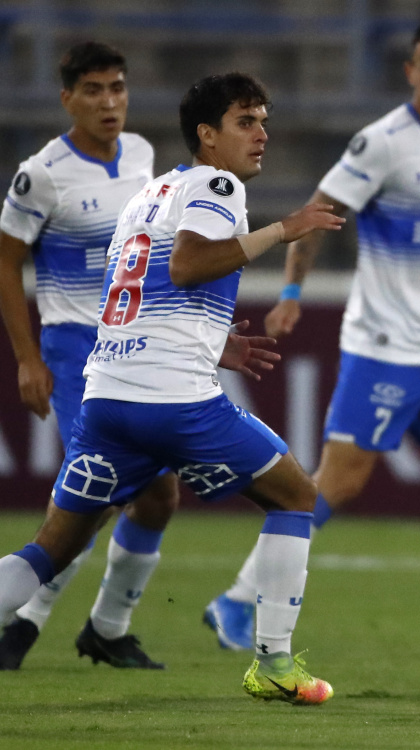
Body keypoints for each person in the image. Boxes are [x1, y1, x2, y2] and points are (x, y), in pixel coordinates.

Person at [203, 18, 420, 653]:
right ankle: (231, 602)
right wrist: (288, 294)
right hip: (383, 346)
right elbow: (320, 212)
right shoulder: (382, 143)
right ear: (411, 72)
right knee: (335, 486)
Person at [0, 71, 344, 704]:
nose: (262, 135)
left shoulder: (149, 193)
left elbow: (139, 293)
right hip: (172, 403)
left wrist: (216, 344)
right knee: (295, 496)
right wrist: (283, 230)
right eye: (246, 122)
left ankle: (107, 626)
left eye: (264, 121)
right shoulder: (218, 185)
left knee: (51, 546)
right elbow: (188, 266)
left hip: (106, 397)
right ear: (207, 135)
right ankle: (272, 663)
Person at [0, 41, 179, 671]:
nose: (110, 103)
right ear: (67, 98)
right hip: (77, 352)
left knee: (157, 496)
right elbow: (5, 259)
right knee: (100, 492)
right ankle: (23, 623)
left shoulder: (142, 156)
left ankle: (104, 627)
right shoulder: (42, 174)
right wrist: (28, 360)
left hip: (135, 346)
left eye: (119, 89)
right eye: (95, 91)